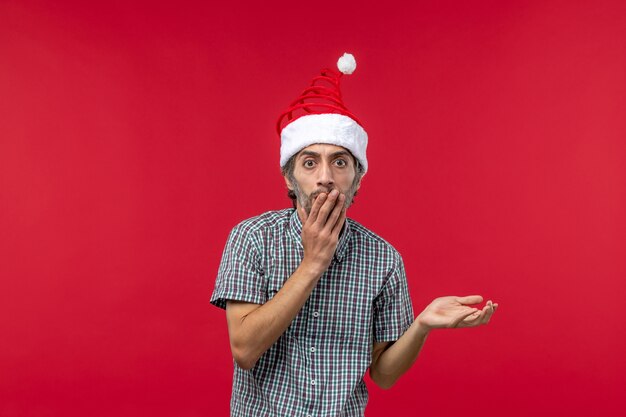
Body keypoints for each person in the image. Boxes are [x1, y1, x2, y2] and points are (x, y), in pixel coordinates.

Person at [210, 53, 498, 417]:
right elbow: (245, 350)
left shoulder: (383, 259)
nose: (326, 176)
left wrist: (422, 325)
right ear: (289, 177)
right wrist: (314, 262)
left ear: (358, 178)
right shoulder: (251, 238)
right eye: (310, 162)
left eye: (340, 162)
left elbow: (384, 374)